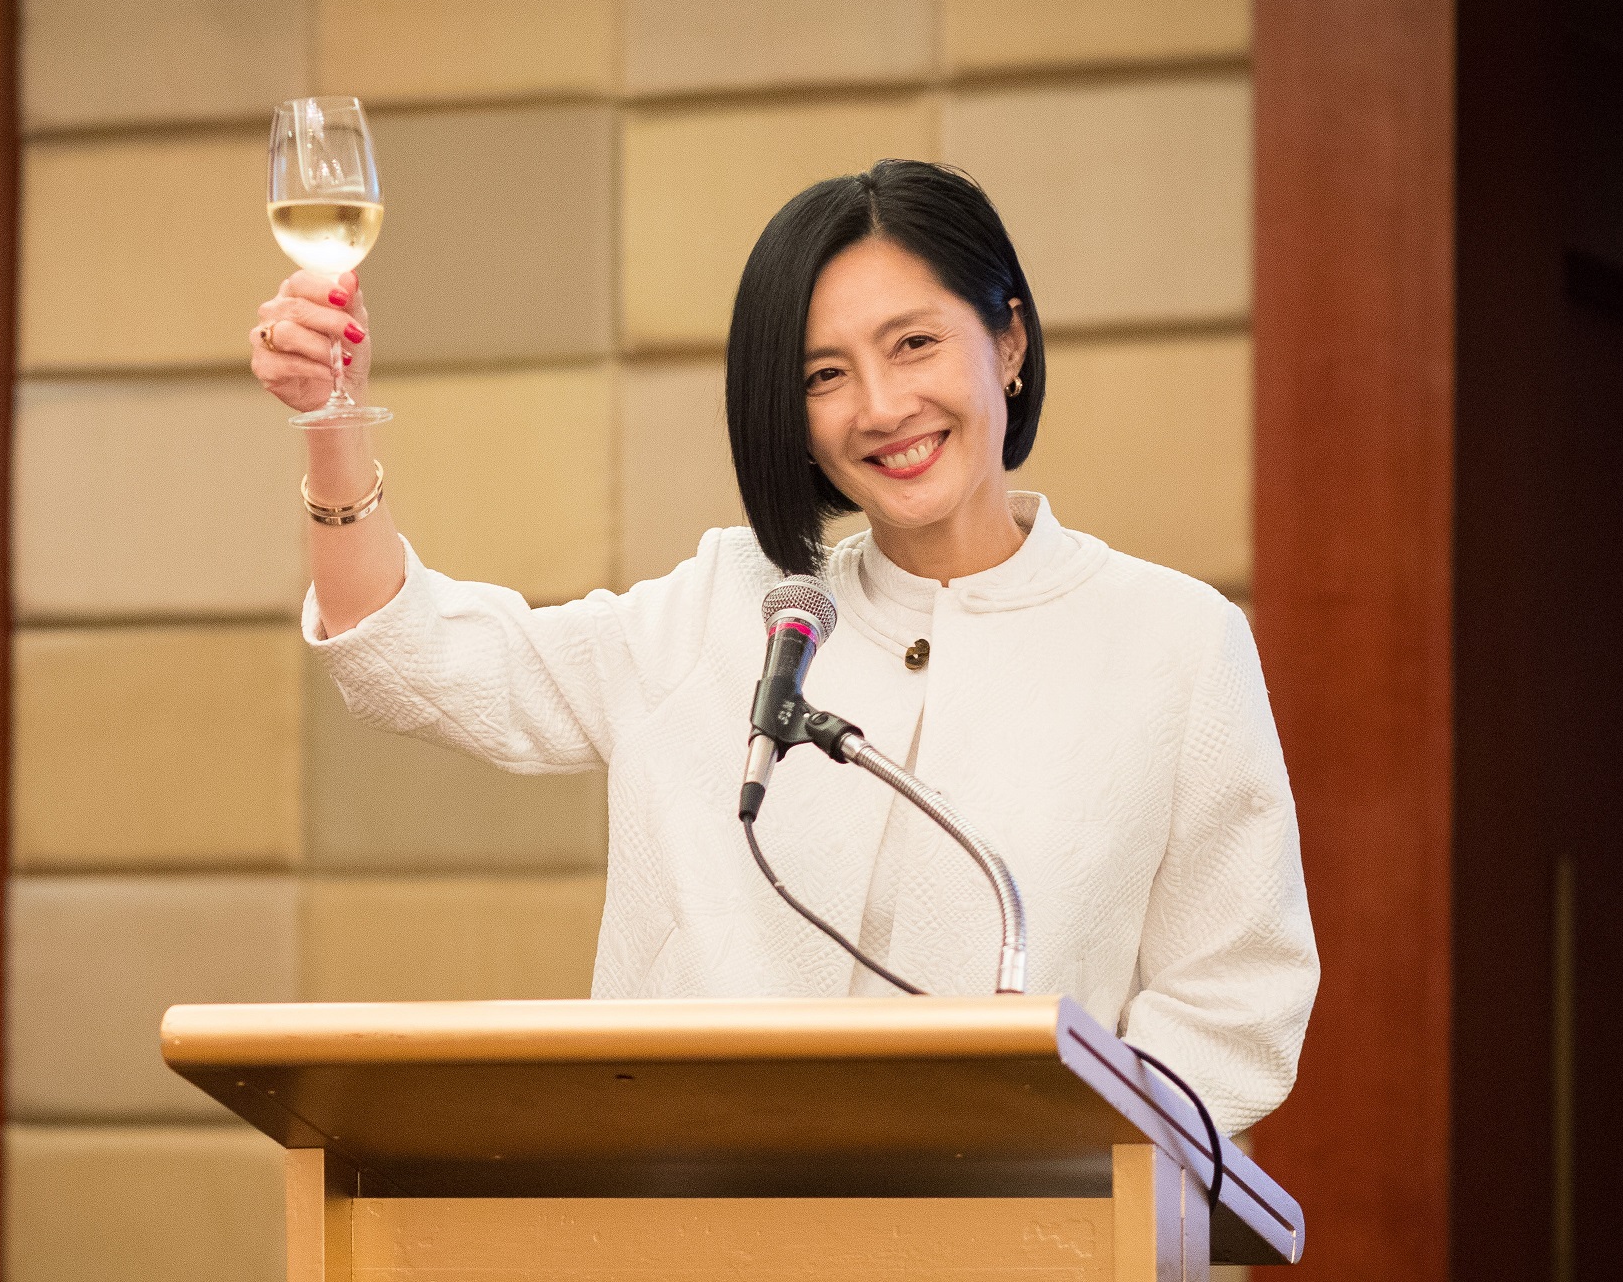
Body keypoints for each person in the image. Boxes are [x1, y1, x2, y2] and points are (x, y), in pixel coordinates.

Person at [249, 159, 1317, 1135]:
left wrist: (1064, 1162)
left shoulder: (1174, 643)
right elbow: (418, 660)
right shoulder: (736, 608)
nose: (882, 406)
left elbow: (1232, 1003)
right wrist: (331, 423)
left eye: (913, 343)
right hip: (688, 1223)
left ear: (1010, 340)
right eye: (823, 376)